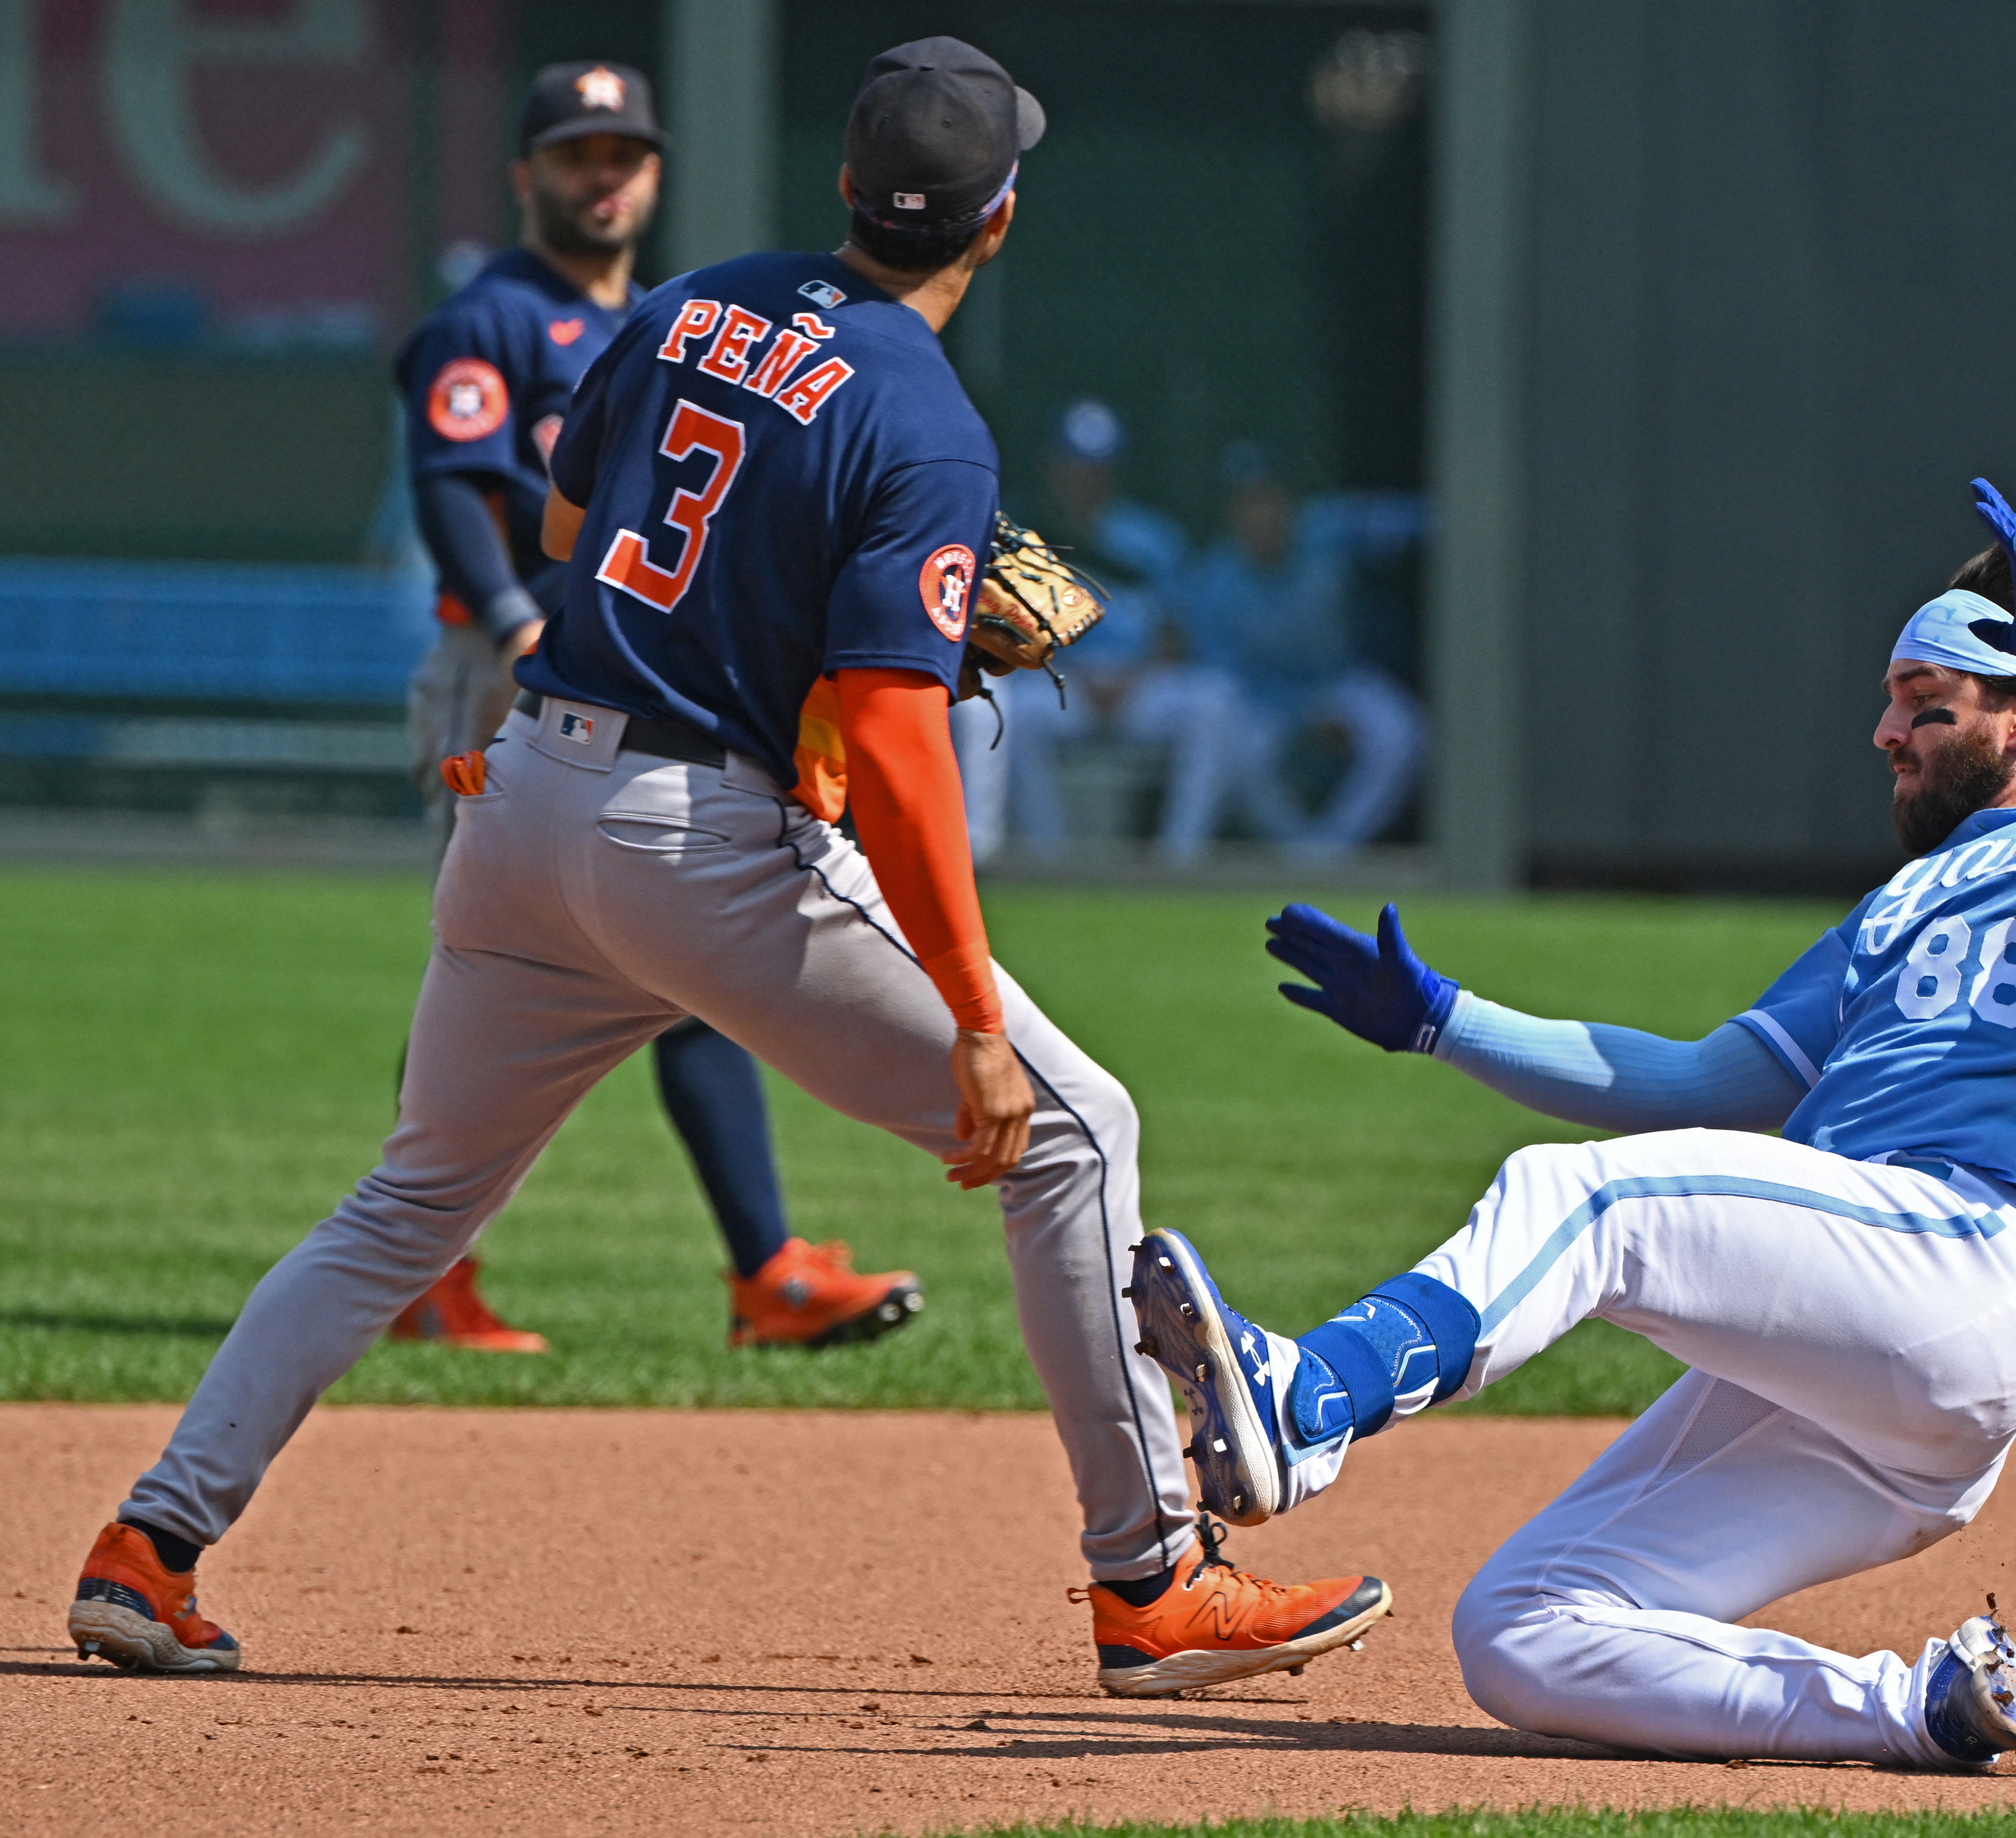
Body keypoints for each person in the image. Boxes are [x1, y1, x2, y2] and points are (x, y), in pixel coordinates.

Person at [68, 38, 1388, 1696]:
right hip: (695, 839)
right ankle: (1150, 1579)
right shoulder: (926, 422)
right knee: (1073, 1129)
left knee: (405, 1202)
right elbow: (900, 750)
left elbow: (565, 531)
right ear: (997, 218)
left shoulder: (691, 304)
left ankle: (150, 1542)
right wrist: (972, 1006)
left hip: (531, 801)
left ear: (844, 189)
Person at [1126, 480, 2016, 1767]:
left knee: (1580, 1197)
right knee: (1520, 1628)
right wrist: (1448, 1020)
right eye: (1887, 699)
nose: (1885, 731)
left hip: (1965, 1257)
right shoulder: (1891, 910)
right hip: (1859, 1370)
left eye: (1926, 703)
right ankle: (1914, 1708)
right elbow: (1695, 1092)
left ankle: (1314, 1398)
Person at [390, 61, 910, 1352]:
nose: (602, 176)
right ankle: (446, 1264)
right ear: (527, 176)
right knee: (513, 977)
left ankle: (756, 1268)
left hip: (609, 676)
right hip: (505, 667)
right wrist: (517, 623)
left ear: (656, 173)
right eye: (575, 153)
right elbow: (455, 488)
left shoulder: (658, 323)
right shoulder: (493, 320)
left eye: (622, 153)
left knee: (645, 977)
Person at [948, 398, 1235, 860]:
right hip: (1057, 682)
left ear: (1114, 473)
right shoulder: (1015, 534)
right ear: (1051, 468)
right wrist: (1067, 672)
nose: (1082, 480)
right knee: (1004, 709)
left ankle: (1180, 857)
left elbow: (1176, 633)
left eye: (1095, 470)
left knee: (1215, 702)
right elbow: (996, 634)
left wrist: (1135, 678)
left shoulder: (1150, 537)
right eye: (1072, 467)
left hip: (1139, 684)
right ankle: (1052, 855)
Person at [1170, 442, 1428, 860]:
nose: (1261, 515)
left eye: (1268, 499)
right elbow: (1224, 677)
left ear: (1288, 502)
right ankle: (1301, 852)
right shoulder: (1218, 578)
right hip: (1266, 702)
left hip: (1340, 682)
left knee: (1401, 734)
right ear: (1231, 514)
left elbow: (1417, 520)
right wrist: (1303, 720)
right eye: (1248, 503)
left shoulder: (1329, 530)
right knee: (1238, 750)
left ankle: (1334, 848)